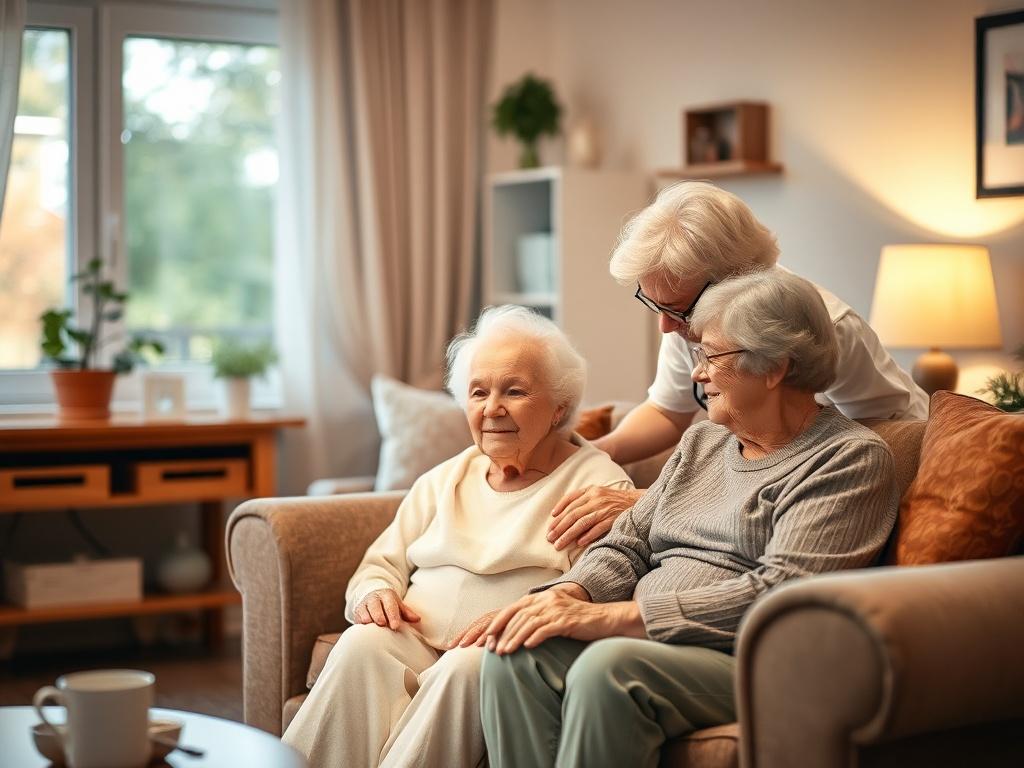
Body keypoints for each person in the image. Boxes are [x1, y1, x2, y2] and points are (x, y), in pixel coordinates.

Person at [474, 269, 900, 768]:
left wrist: (615, 618)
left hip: (751, 658)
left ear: (774, 367)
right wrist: (571, 594)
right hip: (654, 644)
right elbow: (629, 542)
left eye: (711, 357)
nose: (698, 374)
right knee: (515, 652)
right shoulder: (702, 442)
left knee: (610, 668)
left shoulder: (847, 459)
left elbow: (780, 593)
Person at [281, 305, 634, 768]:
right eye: (478, 392)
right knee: (360, 644)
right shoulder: (445, 478)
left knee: (467, 668)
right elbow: (380, 563)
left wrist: (518, 621)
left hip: (503, 649)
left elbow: (598, 588)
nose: (492, 408)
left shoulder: (597, 487)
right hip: (413, 636)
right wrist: (374, 593)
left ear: (559, 408)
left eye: (514, 391)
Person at [546, 181, 926, 553]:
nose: (665, 327)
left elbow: (879, 443)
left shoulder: (827, 329)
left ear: (736, 279)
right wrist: (585, 454)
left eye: (675, 309)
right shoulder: (688, 314)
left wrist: (657, 502)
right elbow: (667, 411)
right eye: (654, 304)